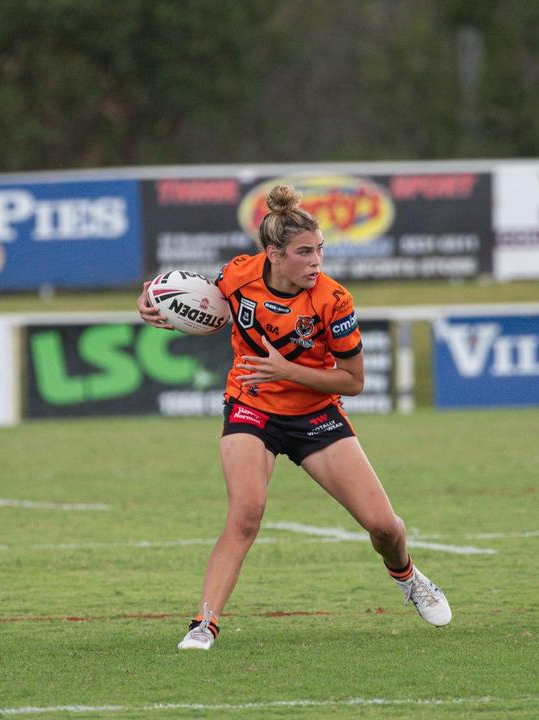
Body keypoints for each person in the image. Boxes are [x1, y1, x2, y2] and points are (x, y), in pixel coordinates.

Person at [137, 185, 451, 651]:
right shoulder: (240, 275)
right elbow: (189, 296)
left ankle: (407, 575)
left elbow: (353, 381)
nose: (317, 261)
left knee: (384, 527)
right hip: (250, 406)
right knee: (246, 514)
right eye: (305, 252)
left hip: (315, 417)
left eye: (320, 250)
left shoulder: (334, 301)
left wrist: (288, 370)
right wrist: (148, 301)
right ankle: (204, 624)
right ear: (274, 255)